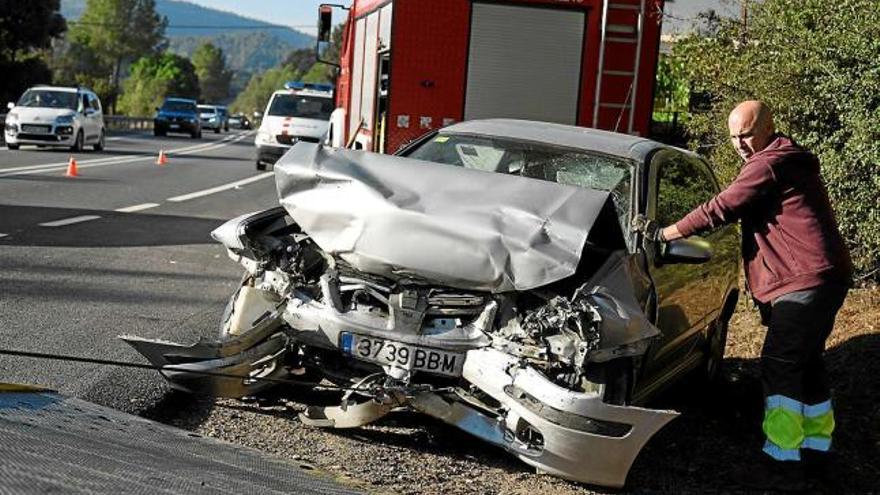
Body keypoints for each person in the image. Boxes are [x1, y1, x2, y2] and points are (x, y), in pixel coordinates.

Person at [657, 100, 852, 490]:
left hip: (804, 281)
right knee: (807, 364)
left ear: (766, 128)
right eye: (733, 137)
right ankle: (817, 451)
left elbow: (722, 208)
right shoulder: (785, 160)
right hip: (823, 278)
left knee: (780, 365)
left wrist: (665, 234)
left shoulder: (769, 163)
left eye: (745, 134)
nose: (740, 144)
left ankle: (782, 462)